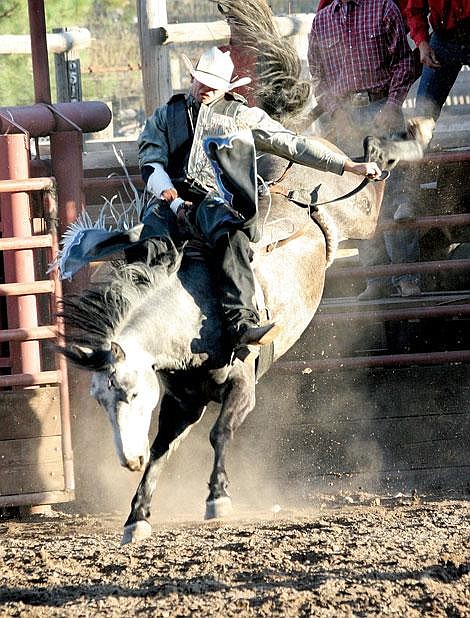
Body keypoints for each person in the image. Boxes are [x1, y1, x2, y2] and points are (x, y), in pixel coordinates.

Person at [137, 46, 382, 356]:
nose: (206, 89)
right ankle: (130, 313)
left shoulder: (241, 117)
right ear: (191, 79)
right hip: (168, 197)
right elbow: (151, 162)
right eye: (201, 81)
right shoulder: (165, 116)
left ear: (226, 88)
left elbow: (293, 145)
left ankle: (241, 322)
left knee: (233, 237)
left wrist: (347, 166)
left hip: (214, 201)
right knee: (145, 242)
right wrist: (169, 197)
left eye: (213, 84)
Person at [308, 0, 422, 299]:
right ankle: (376, 280)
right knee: (360, 200)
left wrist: (392, 104)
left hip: (381, 106)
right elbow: (318, 76)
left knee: (393, 196)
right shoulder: (322, 21)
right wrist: (336, 111)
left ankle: (406, 277)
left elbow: (404, 63)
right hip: (345, 115)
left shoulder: (383, 8)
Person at [405, 0, 470, 148]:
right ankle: (419, 164)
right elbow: (414, 9)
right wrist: (422, 43)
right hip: (444, 37)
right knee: (423, 112)